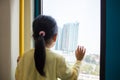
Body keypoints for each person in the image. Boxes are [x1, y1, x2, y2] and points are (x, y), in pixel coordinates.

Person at [15, 15, 86, 80]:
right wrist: (79, 61)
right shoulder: (57, 59)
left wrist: (20, 64)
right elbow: (72, 77)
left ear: (34, 37)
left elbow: (18, 77)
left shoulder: (24, 56)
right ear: (55, 37)